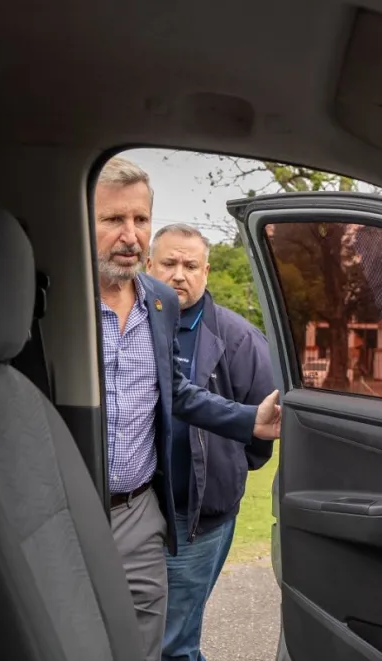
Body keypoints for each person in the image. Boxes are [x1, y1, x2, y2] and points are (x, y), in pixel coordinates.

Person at [94, 157, 281, 661]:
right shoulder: (65, 300)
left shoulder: (159, 304)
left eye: (140, 219)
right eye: (113, 219)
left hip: (145, 511)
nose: (129, 234)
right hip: (74, 508)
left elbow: (176, 392)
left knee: (159, 644)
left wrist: (250, 421)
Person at [145, 223, 275, 661]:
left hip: (193, 518)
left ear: (206, 272)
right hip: (133, 509)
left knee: (173, 643)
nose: (179, 274)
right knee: (135, 630)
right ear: (148, 265)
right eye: (169, 263)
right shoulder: (130, 324)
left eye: (190, 265)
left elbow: (260, 434)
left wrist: (220, 469)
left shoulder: (241, 339)